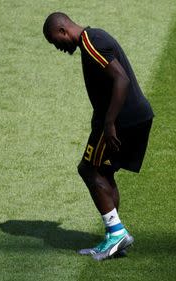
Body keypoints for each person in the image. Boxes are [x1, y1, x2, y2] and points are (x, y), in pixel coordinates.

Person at [43, 12, 154, 261]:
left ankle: (116, 233)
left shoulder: (91, 41)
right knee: (104, 172)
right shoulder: (93, 40)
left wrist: (109, 122)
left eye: (55, 41)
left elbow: (121, 80)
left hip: (121, 120)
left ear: (63, 31)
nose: (58, 47)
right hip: (133, 116)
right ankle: (114, 237)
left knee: (89, 170)